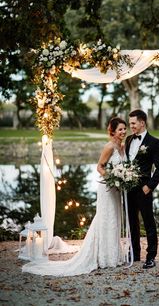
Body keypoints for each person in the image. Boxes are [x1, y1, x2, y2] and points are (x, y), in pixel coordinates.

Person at [22, 117, 127, 276]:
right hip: (108, 187)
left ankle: (113, 254)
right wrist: (113, 180)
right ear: (112, 131)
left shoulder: (122, 146)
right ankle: (104, 257)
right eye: (120, 129)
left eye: (124, 128)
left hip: (117, 189)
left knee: (114, 219)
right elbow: (99, 167)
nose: (123, 131)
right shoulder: (109, 147)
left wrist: (122, 179)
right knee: (105, 218)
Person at [125, 109, 159, 269]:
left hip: (144, 189)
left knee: (149, 222)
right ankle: (135, 253)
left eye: (133, 123)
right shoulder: (129, 140)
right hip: (128, 188)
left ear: (142, 123)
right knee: (132, 222)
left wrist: (149, 186)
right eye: (130, 124)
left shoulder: (155, 142)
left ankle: (151, 256)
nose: (131, 126)